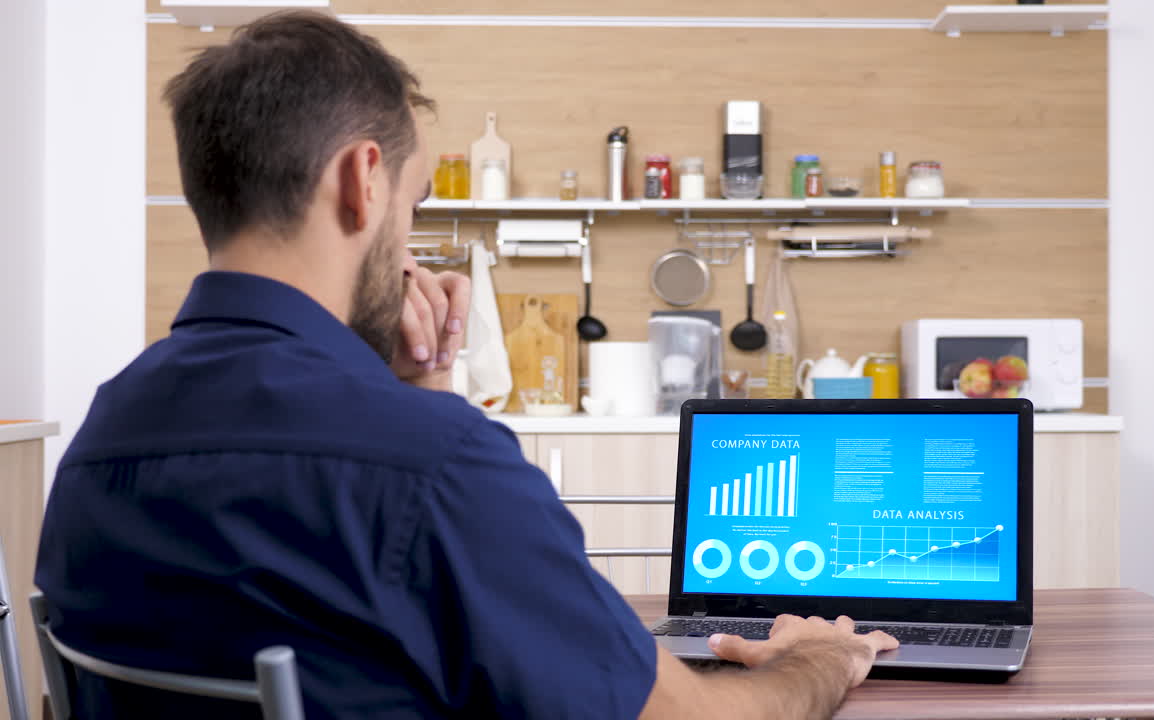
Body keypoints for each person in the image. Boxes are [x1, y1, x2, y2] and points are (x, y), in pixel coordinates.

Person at [34, 11, 897, 720]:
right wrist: (821, 657)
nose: (409, 241)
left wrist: (416, 394)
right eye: (414, 205)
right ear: (362, 181)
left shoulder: (102, 436)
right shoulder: (435, 465)